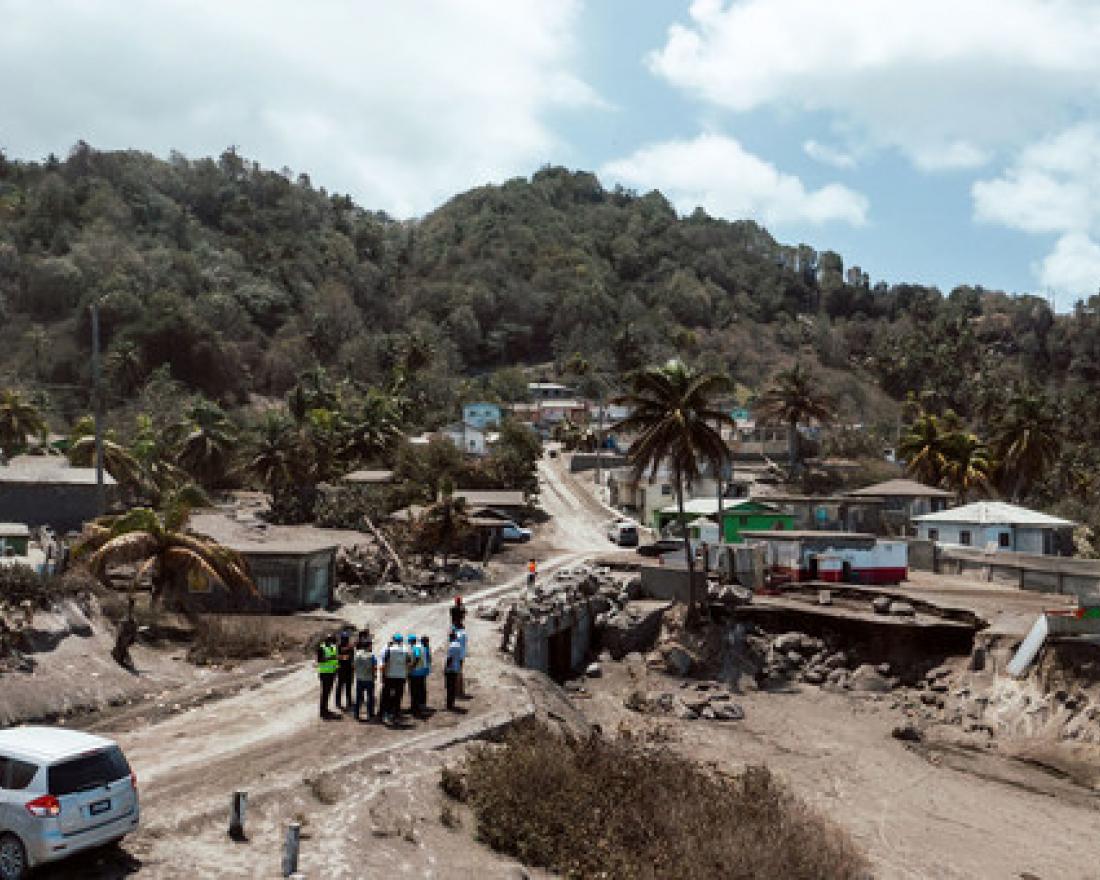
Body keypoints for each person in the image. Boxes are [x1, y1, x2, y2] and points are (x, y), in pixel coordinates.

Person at [380, 633, 409, 723]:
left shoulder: (389, 650)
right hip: (401, 676)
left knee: (386, 695)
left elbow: (385, 664)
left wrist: (383, 675)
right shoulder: (405, 650)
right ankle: (396, 713)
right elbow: (408, 663)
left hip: (390, 676)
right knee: (398, 696)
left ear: (394, 640)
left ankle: (385, 714)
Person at [353, 632, 377, 722]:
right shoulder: (371, 656)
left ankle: (356, 713)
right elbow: (374, 667)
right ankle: (370, 713)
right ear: (368, 646)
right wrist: (374, 676)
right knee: (370, 697)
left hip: (359, 678)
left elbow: (354, 665)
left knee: (359, 697)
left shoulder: (357, 654)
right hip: (369, 679)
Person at [316, 633, 340, 720]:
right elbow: (320, 660)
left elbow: (336, 660)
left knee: (328, 692)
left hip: (332, 673)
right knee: (325, 693)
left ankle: (326, 709)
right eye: (330, 641)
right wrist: (330, 658)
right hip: (324, 674)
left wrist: (336, 669)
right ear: (326, 641)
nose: (332, 643)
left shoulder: (333, 647)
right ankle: (323, 711)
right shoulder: (321, 648)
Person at [409, 634, 431, 717]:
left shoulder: (416, 648)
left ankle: (415, 708)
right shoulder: (423, 648)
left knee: (414, 691)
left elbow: (417, 657)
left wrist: (412, 667)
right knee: (421, 689)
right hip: (422, 672)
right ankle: (421, 705)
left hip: (415, 673)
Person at [335, 630, 355, 712]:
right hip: (342, 669)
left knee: (347, 686)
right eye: (344, 638)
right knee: (341, 686)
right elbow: (338, 657)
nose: (345, 640)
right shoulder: (339, 646)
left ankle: (348, 702)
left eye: (346, 638)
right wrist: (345, 656)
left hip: (347, 668)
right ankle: (338, 702)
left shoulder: (350, 647)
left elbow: (352, 658)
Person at [445, 630, 463, 711]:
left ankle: (449, 705)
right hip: (456, 668)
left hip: (451, 669)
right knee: (452, 687)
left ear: (451, 637)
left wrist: (446, 668)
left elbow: (450, 658)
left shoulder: (452, 646)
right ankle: (451, 703)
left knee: (449, 687)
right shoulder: (459, 645)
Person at [454, 623, 469, 698]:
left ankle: (458, 692)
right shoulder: (464, 634)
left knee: (457, 674)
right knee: (459, 673)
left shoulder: (459, 635)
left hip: (457, 656)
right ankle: (460, 691)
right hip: (461, 655)